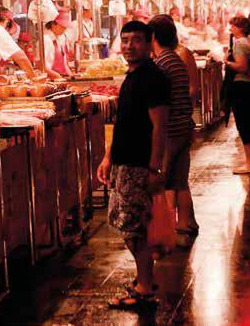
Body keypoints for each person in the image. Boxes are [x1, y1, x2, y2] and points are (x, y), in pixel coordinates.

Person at [96, 21, 169, 310]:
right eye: (124, 40)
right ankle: (145, 281)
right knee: (130, 226)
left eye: (136, 40)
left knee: (133, 229)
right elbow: (123, 123)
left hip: (139, 165)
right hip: (125, 163)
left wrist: (154, 169)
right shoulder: (133, 76)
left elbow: (159, 127)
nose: (129, 46)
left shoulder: (152, 78)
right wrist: (108, 157)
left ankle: (145, 288)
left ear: (150, 42)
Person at [148, 15, 199, 247]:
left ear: (153, 37)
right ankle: (185, 224)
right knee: (179, 180)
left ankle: (166, 233)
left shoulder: (161, 65)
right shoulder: (175, 60)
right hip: (182, 128)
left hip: (169, 131)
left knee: (162, 182)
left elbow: (159, 104)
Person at [225, 16, 250, 173]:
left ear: (239, 28)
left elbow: (242, 67)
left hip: (242, 86)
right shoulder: (248, 42)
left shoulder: (239, 44)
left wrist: (227, 62)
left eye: (232, 26)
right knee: (249, 124)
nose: (230, 29)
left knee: (244, 124)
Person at [43, 8, 72, 79]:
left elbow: (64, 64)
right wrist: (57, 76)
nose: (64, 30)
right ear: (53, 24)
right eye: (62, 27)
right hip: (51, 79)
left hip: (62, 77)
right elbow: (42, 66)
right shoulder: (46, 40)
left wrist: (71, 75)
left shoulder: (62, 38)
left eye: (65, 28)